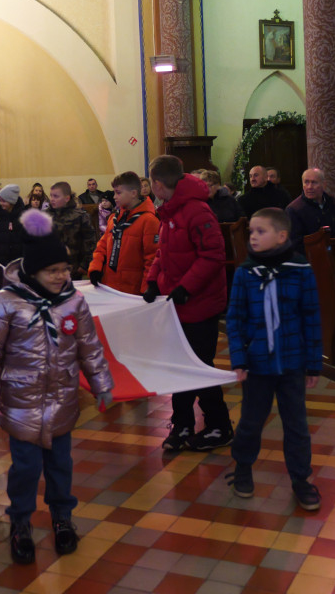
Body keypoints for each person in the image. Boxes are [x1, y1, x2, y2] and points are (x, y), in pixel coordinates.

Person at [0, 209, 114, 565]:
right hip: (21, 405)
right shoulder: (5, 302)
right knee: (25, 469)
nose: (62, 276)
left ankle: (62, 516)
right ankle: (20, 521)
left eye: (65, 270)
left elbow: (89, 347)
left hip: (63, 400)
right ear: (33, 272)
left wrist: (101, 383)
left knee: (61, 465)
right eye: (53, 271)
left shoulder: (73, 301)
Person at [226, 208, 323, 510]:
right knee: (251, 422)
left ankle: (301, 479)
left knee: (296, 425)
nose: (252, 236)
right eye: (251, 232)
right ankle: (242, 467)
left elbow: (311, 317)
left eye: (260, 231)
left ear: (281, 236)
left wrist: (313, 363)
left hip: (292, 363)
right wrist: (239, 359)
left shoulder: (301, 270)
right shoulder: (245, 273)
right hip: (257, 365)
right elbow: (235, 319)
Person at [143, 156, 232, 451]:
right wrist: (153, 281)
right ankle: (182, 425)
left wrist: (185, 288)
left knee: (197, 367)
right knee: (177, 366)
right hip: (177, 304)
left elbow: (213, 256)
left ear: (156, 183)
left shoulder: (197, 210)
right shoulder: (171, 211)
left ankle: (220, 426)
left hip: (200, 304)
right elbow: (163, 253)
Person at [88, 171, 159, 295]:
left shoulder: (149, 221)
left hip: (132, 290)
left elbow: (152, 259)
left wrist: (147, 288)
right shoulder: (114, 218)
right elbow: (102, 247)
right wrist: (95, 268)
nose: (114, 196)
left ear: (133, 193)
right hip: (109, 285)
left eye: (118, 192)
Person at [286, 167, 335, 251]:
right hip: (310, 257)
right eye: (306, 182)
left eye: (314, 182)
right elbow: (296, 243)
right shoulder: (294, 209)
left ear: (324, 184)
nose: (309, 187)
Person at [47, 181, 96, 278]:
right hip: (49, 268)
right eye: (51, 196)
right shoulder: (45, 216)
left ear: (67, 198)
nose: (52, 199)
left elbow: (90, 242)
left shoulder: (80, 216)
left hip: (73, 269)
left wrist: (84, 265)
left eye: (56, 196)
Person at [0, 184, 25, 265]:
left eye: (4, 201)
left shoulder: (24, 218)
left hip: (19, 262)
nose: (0, 203)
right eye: (0, 200)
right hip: (1, 262)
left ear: (12, 201)